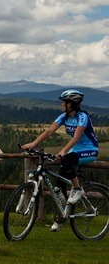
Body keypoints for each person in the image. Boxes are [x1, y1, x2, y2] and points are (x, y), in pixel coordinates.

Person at [21, 89, 99, 232]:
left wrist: (63, 151)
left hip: (90, 149)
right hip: (75, 151)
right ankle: (61, 216)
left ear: (71, 104)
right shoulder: (64, 117)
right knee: (59, 183)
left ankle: (77, 189)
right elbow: (49, 131)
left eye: (64, 102)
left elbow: (76, 138)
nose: (62, 105)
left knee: (67, 159)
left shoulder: (83, 117)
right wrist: (33, 144)